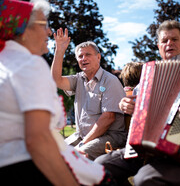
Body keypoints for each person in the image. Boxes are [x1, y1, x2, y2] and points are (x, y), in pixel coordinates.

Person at [0, 0, 114, 186]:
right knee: (106, 180)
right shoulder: (27, 63)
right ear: (23, 31)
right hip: (16, 169)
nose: (49, 31)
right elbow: (38, 140)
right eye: (43, 24)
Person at [95, 20, 180, 186]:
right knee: (99, 167)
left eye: (174, 39)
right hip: (145, 150)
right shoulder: (148, 74)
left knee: (145, 179)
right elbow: (134, 104)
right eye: (164, 40)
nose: (169, 43)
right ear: (158, 46)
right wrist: (125, 105)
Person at [51, 32, 127, 160]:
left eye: (88, 54)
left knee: (74, 157)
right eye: (80, 56)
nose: (83, 58)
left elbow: (108, 118)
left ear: (98, 57)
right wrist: (59, 50)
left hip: (109, 136)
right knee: (52, 153)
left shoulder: (110, 81)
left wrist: (83, 143)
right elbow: (55, 80)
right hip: (82, 136)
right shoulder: (78, 79)